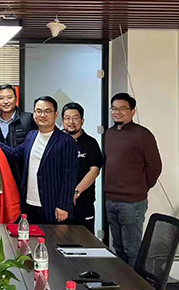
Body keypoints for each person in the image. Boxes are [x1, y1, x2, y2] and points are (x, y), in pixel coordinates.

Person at [0, 96, 78, 224]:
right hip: (29, 204)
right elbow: (15, 153)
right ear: (34, 114)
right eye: (38, 111)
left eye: (47, 111)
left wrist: (63, 205)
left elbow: (69, 177)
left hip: (52, 206)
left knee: (52, 237)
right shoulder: (31, 136)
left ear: (56, 114)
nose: (42, 115)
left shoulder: (66, 141)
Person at [104, 92, 163, 266]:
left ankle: (135, 282)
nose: (117, 112)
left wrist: (141, 187)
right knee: (118, 246)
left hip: (132, 203)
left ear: (133, 112)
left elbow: (155, 166)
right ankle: (121, 280)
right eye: (114, 108)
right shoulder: (109, 134)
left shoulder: (142, 134)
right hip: (111, 200)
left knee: (132, 248)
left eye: (122, 108)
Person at [61, 102, 104, 234]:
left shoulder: (91, 143)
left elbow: (94, 170)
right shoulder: (55, 141)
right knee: (58, 240)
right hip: (59, 204)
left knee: (85, 241)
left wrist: (76, 192)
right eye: (67, 118)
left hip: (83, 203)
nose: (71, 122)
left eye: (75, 118)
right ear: (62, 121)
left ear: (82, 121)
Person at [0, 84, 35, 188]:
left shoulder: (28, 119)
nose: (6, 101)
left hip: (23, 177)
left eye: (9, 97)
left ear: (15, 99)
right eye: (1, 98)